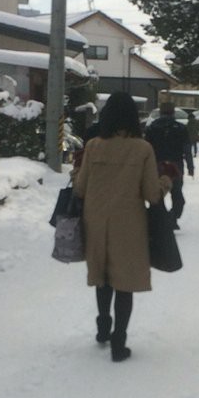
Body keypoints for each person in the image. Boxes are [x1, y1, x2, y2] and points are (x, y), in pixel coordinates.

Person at [72, 92, 172, 362]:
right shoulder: (142, 149)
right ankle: (119, 340)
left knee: (102, 277)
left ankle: (103, 328)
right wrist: (166, 181)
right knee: (124, 283)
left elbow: (80, 188)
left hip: (96, 221)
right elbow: (152, 194)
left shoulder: (93, 146)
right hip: (129, 225)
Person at [145, 101, 190, 229]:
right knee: (177, 194)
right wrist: (191, 166)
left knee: (158, 194)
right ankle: (173, 217)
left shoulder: (152, 128)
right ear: (173, 112)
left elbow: (146, 148)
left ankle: (161, 219)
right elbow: (186, 149)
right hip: (176, 166)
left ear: (160, 113)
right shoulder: (181, 128)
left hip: (156, 165)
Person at [185, 110, 199, 176]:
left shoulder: (189, 122)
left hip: (190, 136)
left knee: (190, 146)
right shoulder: (197, 122)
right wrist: (196, 132)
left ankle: (191, 153)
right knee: (195, 145)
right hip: (195, 135)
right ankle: (195, 153)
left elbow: (187, 129)